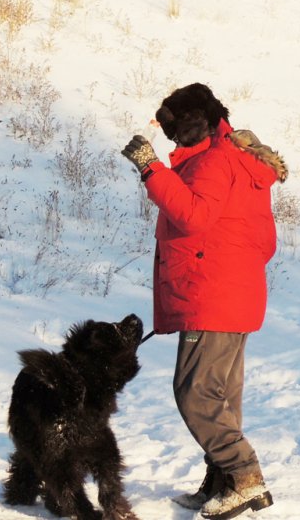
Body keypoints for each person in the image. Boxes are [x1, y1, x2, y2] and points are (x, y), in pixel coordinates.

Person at [121, 83, 287, 520]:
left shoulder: (215, 161)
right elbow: (261, 239)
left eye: (175, 131)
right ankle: (224, 481)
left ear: (194, 124)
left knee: (194, 392)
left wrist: (150, 168)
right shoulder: (235, 159)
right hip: (233, 292)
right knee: (220, 395)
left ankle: (246, 477)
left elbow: (194, 216)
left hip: (213, 291)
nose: (172, 140)